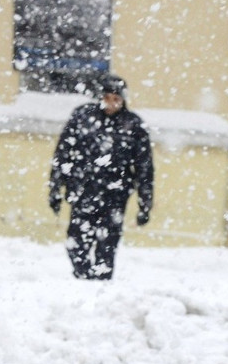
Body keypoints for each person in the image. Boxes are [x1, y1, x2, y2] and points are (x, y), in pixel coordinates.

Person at [48, 73, 154, 280]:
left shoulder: (133, 125)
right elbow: (62, 154)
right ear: (100, 97)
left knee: (107, 245)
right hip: (82, 190)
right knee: (76, 242)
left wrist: (145, 203)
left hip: (115, 195)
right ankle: (83, 277)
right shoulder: (82, 117)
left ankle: (101, 286)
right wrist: (55, 188)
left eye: (116, 99)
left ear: (123, 100)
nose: (111, 104)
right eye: (107, 98)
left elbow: (144, 167)